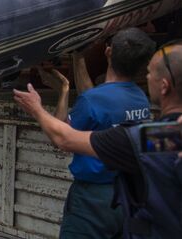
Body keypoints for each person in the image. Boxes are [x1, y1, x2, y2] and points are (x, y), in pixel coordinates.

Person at [13, 42, 182, 238]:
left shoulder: (145, 138)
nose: (147, 77)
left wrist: (36, 108)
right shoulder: (155, 121)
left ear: (164, 87)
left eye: (152, 74)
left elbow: (64, 139)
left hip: (95, 200)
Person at [37, 28, 155, 238]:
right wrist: (78, 57)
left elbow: (59, 137)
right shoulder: (140, 99)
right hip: (127, 194)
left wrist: (63, 90)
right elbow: (95, 101)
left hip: (92, 199)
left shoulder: (92, 101)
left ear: (108, 52)